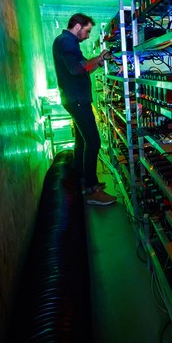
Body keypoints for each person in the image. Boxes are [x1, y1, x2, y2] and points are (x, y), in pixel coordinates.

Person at [52, 13, 117, 206]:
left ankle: (82, 181)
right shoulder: (66, 41)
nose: (88, 36)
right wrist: (97, 58)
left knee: (81, 142)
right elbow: (76, 69)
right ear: (78, 26)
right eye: (87, 31)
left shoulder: (67, 43)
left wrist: (99, 61)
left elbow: (83, 69)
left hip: (75, 99)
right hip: (77, 100)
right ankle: (92, 190)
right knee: (94, 141)